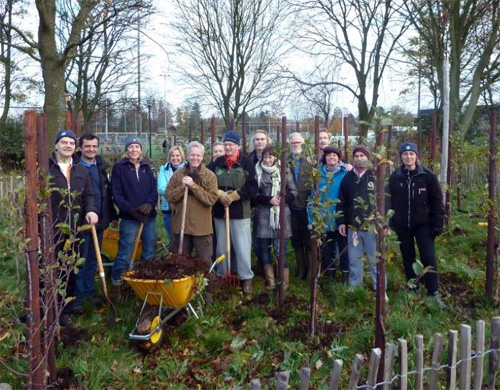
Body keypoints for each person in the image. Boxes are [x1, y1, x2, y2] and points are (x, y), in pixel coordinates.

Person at [49, 130, 99, 326]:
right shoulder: (47, 168)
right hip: (51, 228)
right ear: (56, 145)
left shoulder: (80, 169)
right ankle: (47, 307)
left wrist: (92, 210)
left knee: (70, 269)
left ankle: (64, 310)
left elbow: (89, 195)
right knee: (49, 269)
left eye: (71, 143)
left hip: (75, 229)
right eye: (64, 142)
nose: (68, 145)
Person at [388, 142, 445, 307]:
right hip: (402, 225)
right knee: (408, 257)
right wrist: (391, 221)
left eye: (411, 154)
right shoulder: (395, 177)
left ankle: (432, 291)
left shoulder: (427, 176)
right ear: (401, 157)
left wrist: (437, 224)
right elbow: (388, 199)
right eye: (405, 154)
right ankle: (413, 287)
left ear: (416, 156)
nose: (408, 157)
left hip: (423, 225)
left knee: (428, 257)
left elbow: (437, 201)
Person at [166, 141, 219, 299]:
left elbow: (211, 199)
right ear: (187, 156)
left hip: (201, 228)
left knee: (205, 262)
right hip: (180, 228)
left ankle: (208, 295)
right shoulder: (178, 175)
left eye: (198, 155)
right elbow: (169, 195)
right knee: (180, 262)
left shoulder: (209, 176)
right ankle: (181, 295)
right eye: (192, 155)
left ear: (202, 156)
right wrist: (182, 188)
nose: (195, 158)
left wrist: (194, 186)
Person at [73, 133, 117, 314]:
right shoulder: (75, 167)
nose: (91, 149)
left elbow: (106, 193)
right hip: (81, 223)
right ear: (81, 148)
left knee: (92, 259)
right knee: (80, 260)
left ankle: (89, 293)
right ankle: (77, 297)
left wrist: (112, 214)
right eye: (87, 146)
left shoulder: (100, 167)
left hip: (99, 222)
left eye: (93, 146)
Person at [210, 130, 258, 295]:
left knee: (242, 247)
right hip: (220, 212)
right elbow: (206, 180)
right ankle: (222, 274)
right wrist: (218, 193)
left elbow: (252, 187)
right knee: (221, 246)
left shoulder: (246, 163)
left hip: (240, 212)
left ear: (237, 146)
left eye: (231, 144)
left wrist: (237, 195)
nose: (228, 147)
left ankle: (246, 278)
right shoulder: (217, 163)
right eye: (225, 144)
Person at [111, 136, 158, 302]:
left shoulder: (147, 167)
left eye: (137, 146)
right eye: (131, 147)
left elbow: (154, 190)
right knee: (125, 252)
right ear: (126, 150)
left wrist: (149, 205)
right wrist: (131, 210)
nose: (134, 150)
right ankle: (118, 285)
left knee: (149, 250)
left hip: (148, 217)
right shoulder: (120, 168)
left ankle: (145, 283)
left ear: (141, 149)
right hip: (130, 217)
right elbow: (116, 194)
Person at [337, 145, 380, 292]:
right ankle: (355, 286)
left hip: (372, 227)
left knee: (375, 260)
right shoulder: (348, 178)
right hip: (353, 226)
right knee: (354, 259)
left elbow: (385, 202)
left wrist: (384, 224)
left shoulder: (375, 176)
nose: (359, 158)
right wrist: (342, 221)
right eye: (356, 156)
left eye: (362, 156)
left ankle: (380, 288)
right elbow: (342, 201)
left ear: (368, 157)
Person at [254, 145, 296, 289]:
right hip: (263, 214)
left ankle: (284, 281)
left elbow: (293, 191)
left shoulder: (284, 171)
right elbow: (254, 194)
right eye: (265, 157)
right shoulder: (257, 171)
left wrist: (282, 199)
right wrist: (268, 199)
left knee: (280, 248)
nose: (268, 159)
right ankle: (270, 280)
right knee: (264, 248)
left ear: (275, 157)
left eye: (271, 156)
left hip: (281, 215)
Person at [309, 146, 349, 284]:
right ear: (324, 158)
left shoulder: (345, 173)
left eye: (335, 155)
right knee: (328, 249)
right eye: (329, 155)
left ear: (339, 158)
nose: (332, 157)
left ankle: (345, 278)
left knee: (344, 250)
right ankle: (330, 277)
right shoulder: (317, 174)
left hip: (341, 218)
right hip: (324, 219)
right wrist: (312, 218)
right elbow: (312, 196)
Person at [288, 132, 313, 280]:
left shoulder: (310, 160)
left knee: (309, 239)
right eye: (293, 143)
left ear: (302, 143)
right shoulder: (285, 160)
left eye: (298, 142)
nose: (295, 145)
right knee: (296, 239)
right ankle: (300, 270)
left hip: (308, 206)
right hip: (292, 207)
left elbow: (316, 180)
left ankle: (311, 271)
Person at [158, 146, 186, 245]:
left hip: (184, 207)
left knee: (184, 238)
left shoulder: (188, 168)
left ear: (182, 156)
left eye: (177, 155)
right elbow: (161, 189)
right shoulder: (164, 169)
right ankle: (173, 254)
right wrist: (178, 192)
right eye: (172, 156)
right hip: (168, 208)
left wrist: (172, 192)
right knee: (173, 237)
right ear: (169, 157)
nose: (175, 158)